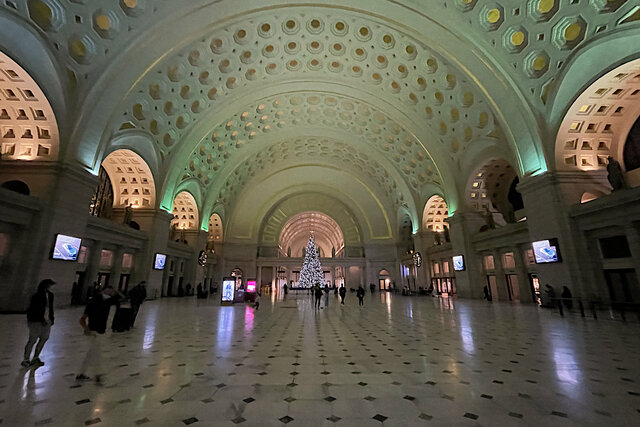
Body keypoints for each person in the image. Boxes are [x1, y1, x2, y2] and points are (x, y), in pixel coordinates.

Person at [77, 285, 120, 382]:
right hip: (93, 331)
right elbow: (82, 319)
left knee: (91, 354)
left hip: (100, 330)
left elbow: (120, 299)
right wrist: (87, 329)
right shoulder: (94, 302)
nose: (110, 292)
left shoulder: (108, 301)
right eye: (108, 290)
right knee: (97, 354)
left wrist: (116, 293)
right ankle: (98, 374)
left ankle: (81, 373)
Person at [22, 279, 55, 368]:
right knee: (32, 339)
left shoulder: (51, 295)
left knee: (44, 338)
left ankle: (35, 357)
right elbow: (34, 309)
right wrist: (41, 319)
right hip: (35, 321)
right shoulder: (36, 296)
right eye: (50, 285)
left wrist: (51, 319)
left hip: (47, 320)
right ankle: (26, 359)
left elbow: (50, 308)